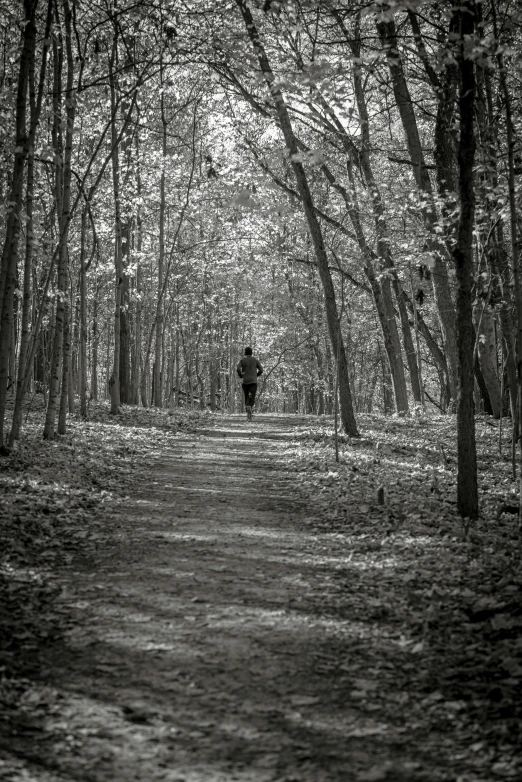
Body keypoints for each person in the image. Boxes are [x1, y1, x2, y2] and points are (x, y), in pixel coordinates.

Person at [237, 347, 263, 420]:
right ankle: (249, 407)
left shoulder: (242, 360)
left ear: (245, 353)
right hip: (253, 381)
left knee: (246, 396)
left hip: (245, 381)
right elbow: (261, 370)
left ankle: (248, 410)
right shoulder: (255, 360)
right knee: (252, 396)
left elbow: (238, 369)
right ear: (252, 353)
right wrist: (256, 375)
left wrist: (241, 375)